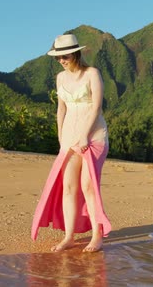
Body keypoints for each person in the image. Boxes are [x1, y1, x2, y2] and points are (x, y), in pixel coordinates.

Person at [31, 34, 111, 253]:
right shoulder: (60, 78)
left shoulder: (92, 73)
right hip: (69, 138)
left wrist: (85, 134)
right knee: (68, 187)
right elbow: (61, 109)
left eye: (64, 56)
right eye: (57, 58)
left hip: (93, 136)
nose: (61, 61)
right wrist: (60, 137)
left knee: (88, 186)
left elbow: (96, 107)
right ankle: (69, 237)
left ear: (76, 53)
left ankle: (97, 236)